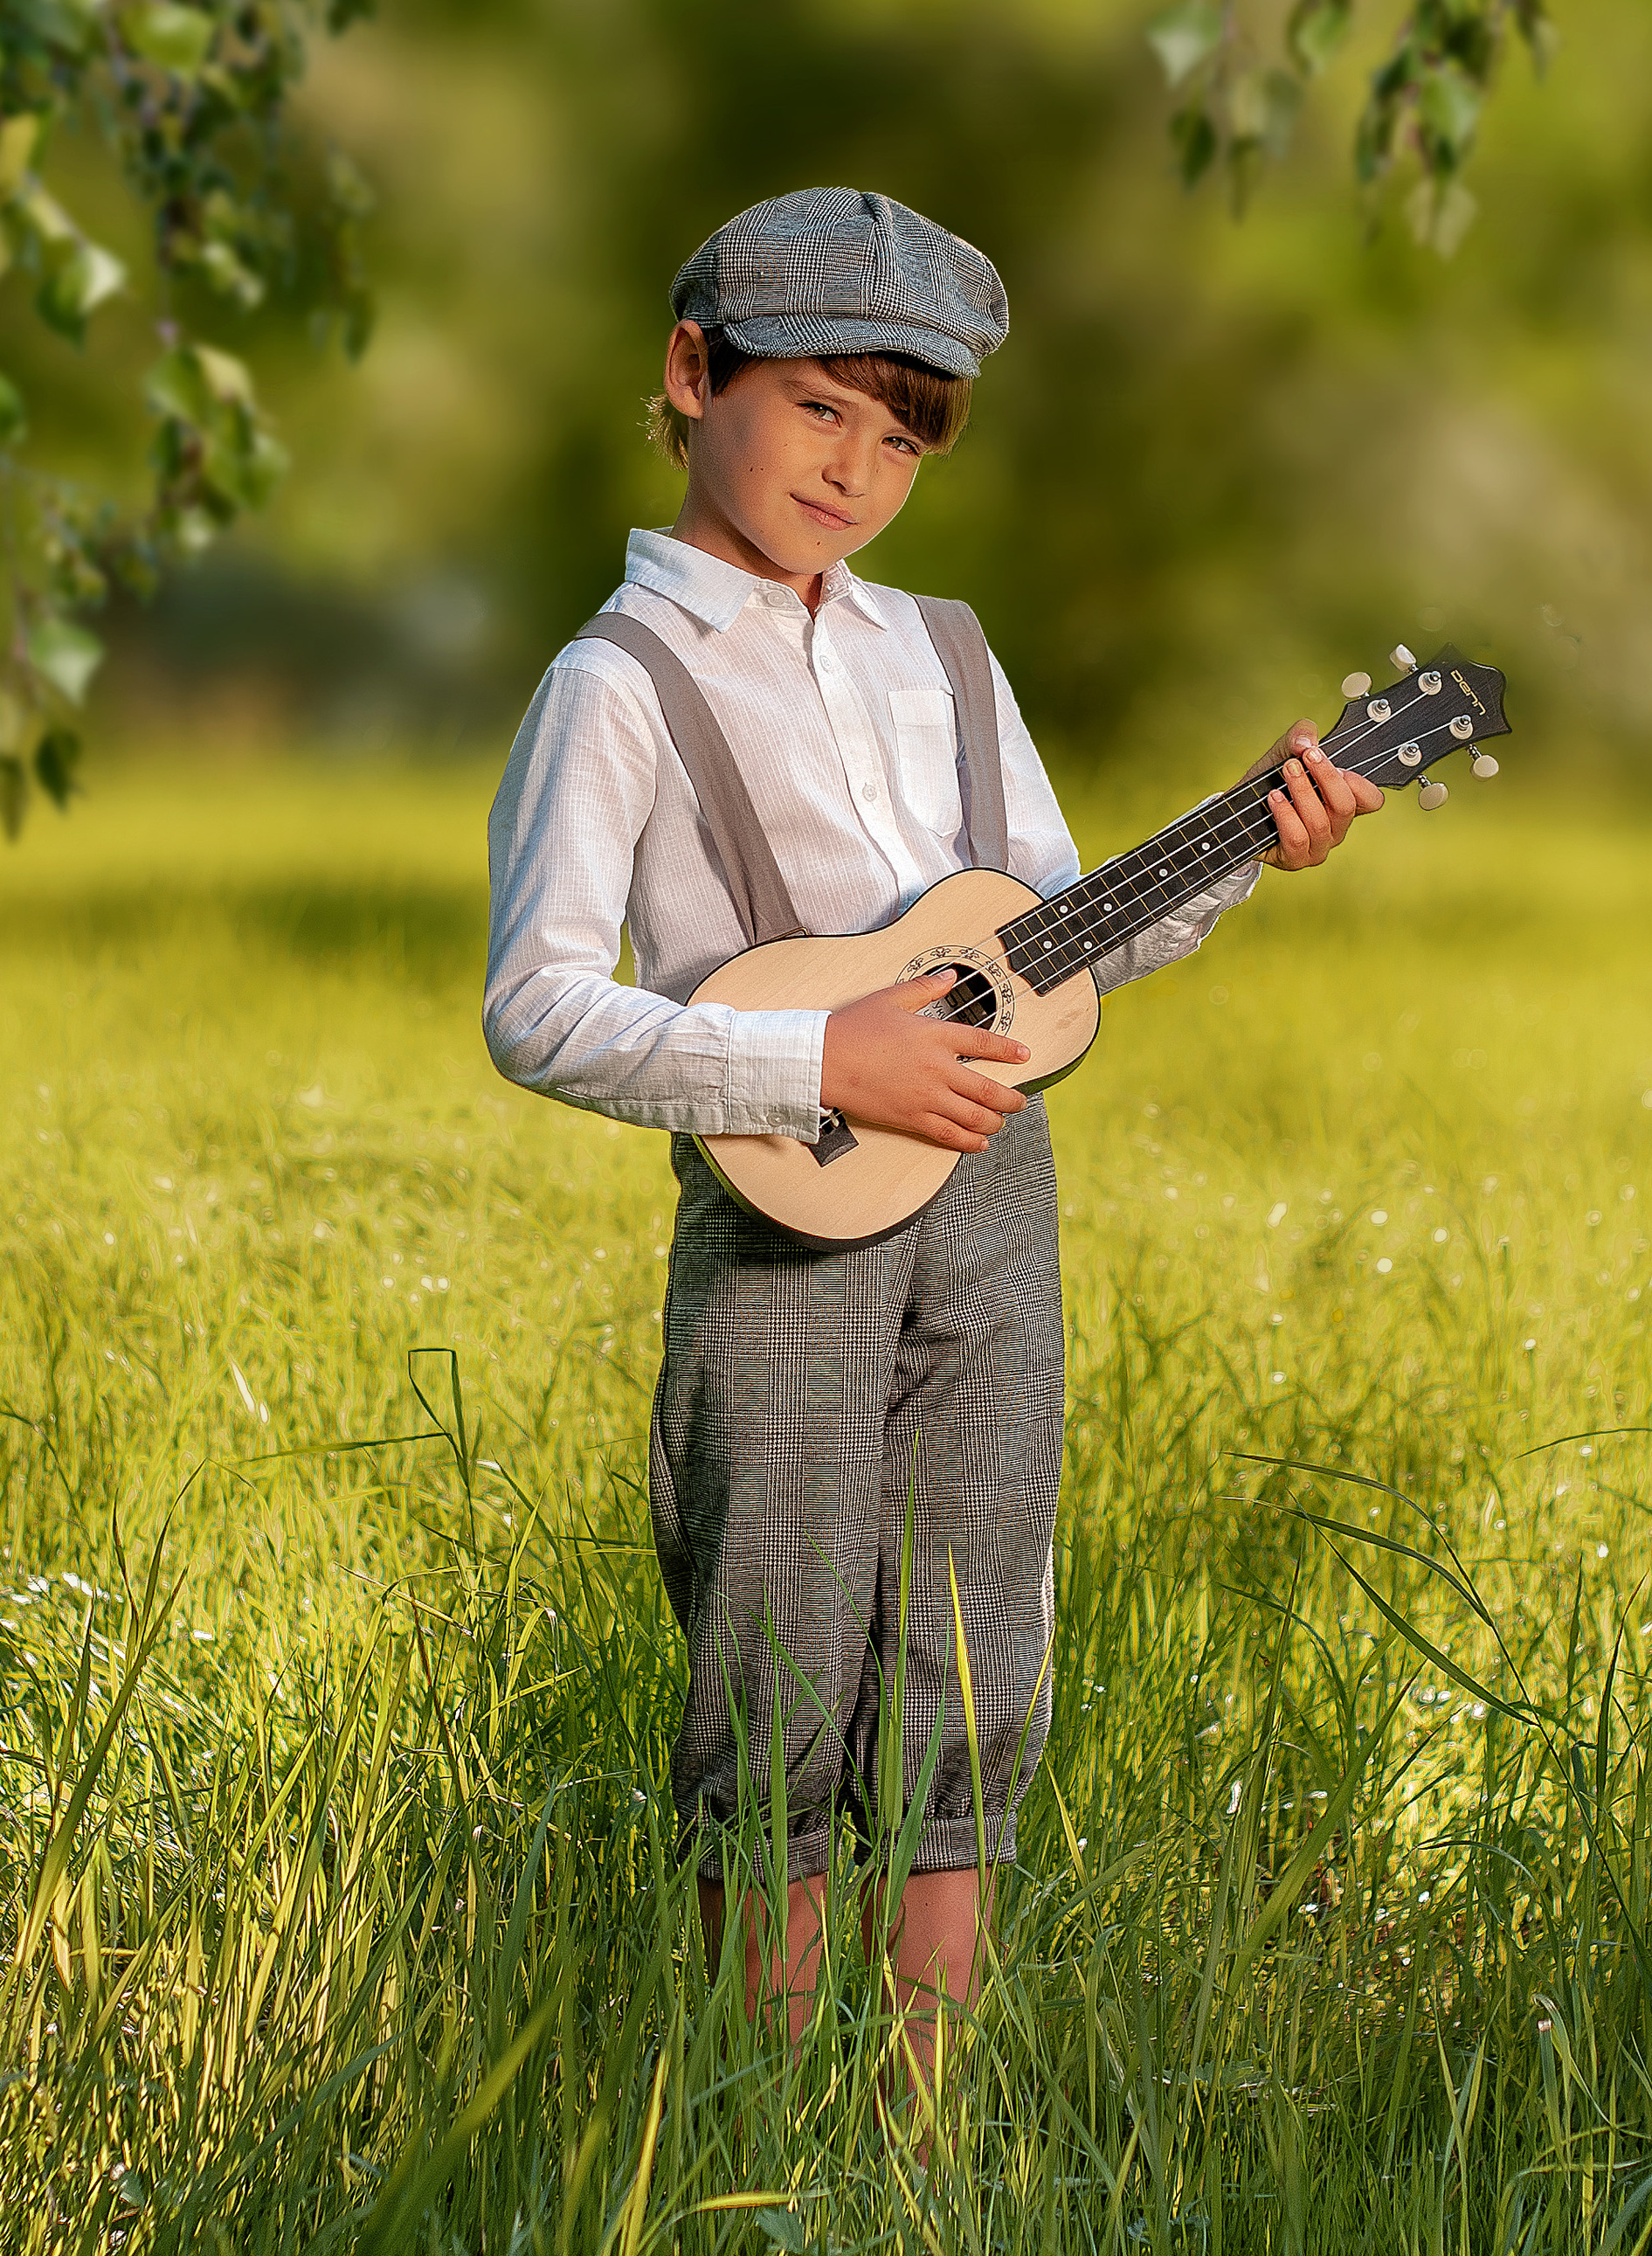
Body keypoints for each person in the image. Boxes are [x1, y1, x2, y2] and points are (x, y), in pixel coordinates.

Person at [483, 186, 1380, 2112]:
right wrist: (822, 1053)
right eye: (817, 409)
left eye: (899, 439)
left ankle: (925, 2121)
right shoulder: (616, 685)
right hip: (784, 1213)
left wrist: (1244, 841)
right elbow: (538, 1005)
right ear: (691, 372)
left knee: (977, 1632)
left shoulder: (947, 656)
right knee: (776, 1634)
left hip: (992, 1194)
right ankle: (753, 2120)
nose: (855, 471)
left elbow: (1050, 940)